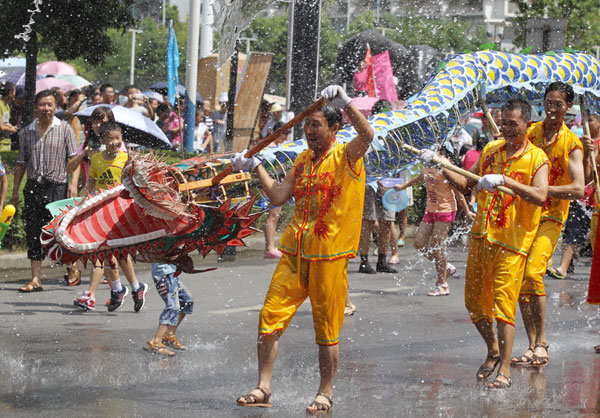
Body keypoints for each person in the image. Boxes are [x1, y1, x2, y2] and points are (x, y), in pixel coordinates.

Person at [233, 85, 374, 413]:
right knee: (269, 317)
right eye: (306, 125)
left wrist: (347, 103)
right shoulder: (301, 161)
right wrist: (254, 166)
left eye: (316, 125)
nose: (309, 131)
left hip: (329, 255)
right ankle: (263, 387)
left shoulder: (347, 155)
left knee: (326, 328)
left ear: (334, 128)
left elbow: (367, 135)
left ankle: (325, 391)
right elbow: (280, 197)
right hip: (295, 251)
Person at [438, 98, 549, 389]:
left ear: (527, 124)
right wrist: (442, 165)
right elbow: (466, 184)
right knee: (474, 305)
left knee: (503, 305)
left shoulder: (537, 158)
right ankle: (493, 349)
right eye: (503, 122)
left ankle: (505, 371)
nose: (506, 128)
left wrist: (506, 181)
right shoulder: (490, 150)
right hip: (481, 237)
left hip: (512, 243)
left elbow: (540, 196)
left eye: (513, 123)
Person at [512, 82, 585, 368]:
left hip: (552, 217)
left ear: (568, 108)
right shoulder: (530, 133)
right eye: (548, 103)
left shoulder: (573, 143)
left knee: (532, 273)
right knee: (519, 280)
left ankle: (541, 342)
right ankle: (531, 345)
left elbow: (578, 189)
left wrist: (542, 190)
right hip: (523, 213)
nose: (552, 109)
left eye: (558, 104)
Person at [73, 122, 148, 312]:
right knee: (105, 251)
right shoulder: (96, 159)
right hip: (100, 210)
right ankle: (123, 288)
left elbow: (138, 182)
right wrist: (83, 202)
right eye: (110, 139)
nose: (115, 142)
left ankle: (131, 287)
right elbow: (92, 183)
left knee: (117, 251)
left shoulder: (127, 158)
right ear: (103, 140)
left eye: (118, 138)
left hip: (121, 211)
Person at [11, 90, 78, 292]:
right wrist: (15, 191)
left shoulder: (65, 129)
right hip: (33, 187)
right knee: (33, 231)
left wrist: (73, 184)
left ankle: (72, 266)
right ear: (35, 107)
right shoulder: (26, 132)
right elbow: (21, 163)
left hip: (57, 187)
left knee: (60, 231)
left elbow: (73, 160)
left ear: (56, 107)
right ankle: (35, 279)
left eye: (50, 105)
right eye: (42, 105)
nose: (46, 109)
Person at [395, 144, 472, 296]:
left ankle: (442, 284)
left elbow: (458, 190)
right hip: (430, 209)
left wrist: (468, 211)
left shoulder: (444, 164)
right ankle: (446, 266)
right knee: (419, 244)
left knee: (436, 247)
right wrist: (403, 186)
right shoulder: (427, 162)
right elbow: (421, 177)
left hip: (446, 210)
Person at [145, 262, 194, 356]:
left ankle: (168, 334)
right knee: (172, 307)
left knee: (186, 301)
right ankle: (156, 342)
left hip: (171, 272)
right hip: (163, 274)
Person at [262, 121, 287, 259]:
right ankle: (269, 247)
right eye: (284, 133)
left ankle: (270, 245)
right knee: (272, 215)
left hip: (276, 183)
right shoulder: (269, 147)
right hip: (271, 184)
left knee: (275, 215)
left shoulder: (276, 146)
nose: (286, 136)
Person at [0, 81, 17, 152]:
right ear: (10, 92)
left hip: (6, 143)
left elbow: (5, 122)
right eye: (14, 92)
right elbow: (1, 126)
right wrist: (12, 130)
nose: (15, 94)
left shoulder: (7, 106)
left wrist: (13, 127)